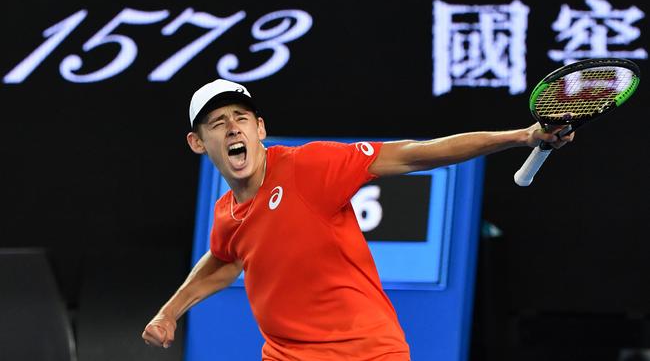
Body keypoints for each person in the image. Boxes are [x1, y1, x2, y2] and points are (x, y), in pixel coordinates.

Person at [142, 79, 574, 360]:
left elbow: (416, 153)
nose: (232, 129)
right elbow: (222, 260)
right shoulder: (226, 214)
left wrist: (524, 136)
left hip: (366, 353)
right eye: (218, 124)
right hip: (286, 355)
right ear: (199, 143)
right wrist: (169, 313)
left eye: (240, 119)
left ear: (260, 129)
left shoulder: (309, 168)